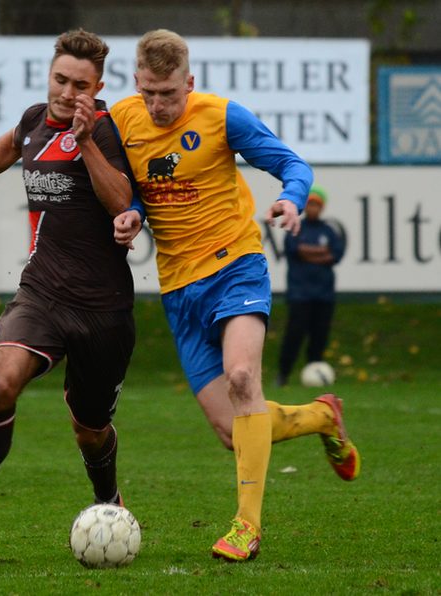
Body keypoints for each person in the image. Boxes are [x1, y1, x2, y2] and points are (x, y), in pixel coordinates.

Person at [110, 30, 359, 562]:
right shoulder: (122, 119)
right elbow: (129, 185)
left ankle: (246, 526)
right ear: (136, 82)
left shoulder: (223, 116)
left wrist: (292, 199)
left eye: (169, 94)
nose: (158, 105)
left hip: (236, 266)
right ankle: (321, 416)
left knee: (244, 378)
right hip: (178, 287)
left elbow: (293, 165)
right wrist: (131, 209)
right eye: (150, 92)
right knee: (231, 432)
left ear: (190, 83)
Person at [0, 29, 136, 558]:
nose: (66, 92)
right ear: (50, 76)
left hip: (103, 309)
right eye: (60, 79)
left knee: (91, 430)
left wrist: (84, 140)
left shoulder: (105, 132)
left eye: (79, 85)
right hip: (41, 293)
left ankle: (109, 500)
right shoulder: (36, 119)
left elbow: (121, 200)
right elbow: (10, 145)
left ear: (97, 87)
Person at [276, 185, 344, 386]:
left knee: (320, 336)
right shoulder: (296, 227)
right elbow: (297, 250)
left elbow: (336, 254)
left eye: (317, 204)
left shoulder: (329, 230)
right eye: (310, 204)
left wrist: (309, 252)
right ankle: (283, 374)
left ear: (321, 207)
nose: (313, 208)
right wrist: (321, 253)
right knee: (294, 334)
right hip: (300, 293)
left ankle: (315, 373)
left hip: (324, 293)